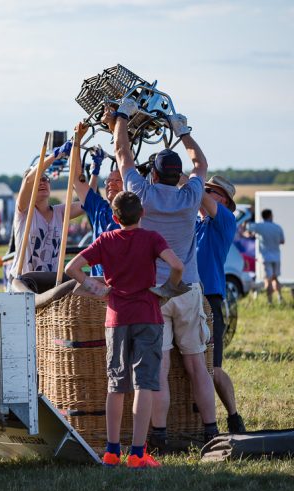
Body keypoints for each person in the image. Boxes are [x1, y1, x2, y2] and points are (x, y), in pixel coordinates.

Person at [103, 101, 218, 448]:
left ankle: (161, 436)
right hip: (187, 288)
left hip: (153, 293)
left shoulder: (143, 194)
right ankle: (211, 431)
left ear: (153, 174)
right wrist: (182, 130)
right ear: (174, 174)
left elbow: (123, 153)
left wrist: (121, 116)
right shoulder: (190, 195)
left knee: (160, 368)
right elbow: (201, 164)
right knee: (198, 365)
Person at [66, 191, 187, 468]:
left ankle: (111, 452)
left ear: (114, 216)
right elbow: (177, 265)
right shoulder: (152, 238)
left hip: (116, 317)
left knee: (116, 384)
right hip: (148, 314)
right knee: (144, 384)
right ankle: (137, 453)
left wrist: (97, 289)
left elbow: (73, 268)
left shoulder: (105, 240)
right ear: (142, 213)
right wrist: (168, 289)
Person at [195, 175, 247, 433]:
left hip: (210, 300)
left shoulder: (226, 219)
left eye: (209, 191)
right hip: (187, 299)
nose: (203, 193)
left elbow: (197, 195)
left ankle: (234, 417)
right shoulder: (196, 224)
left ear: (223, 200)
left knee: (213, 368)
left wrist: (188, 181)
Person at [8, 136, 86, 280]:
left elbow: (87, 203)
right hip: (24, 281)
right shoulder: (24, 211)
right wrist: (54, 156)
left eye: (45, 179)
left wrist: (90, 172)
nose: (42, 182)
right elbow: (28, 179)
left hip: (51, 281)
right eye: (38, 180)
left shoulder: (60, 212)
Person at [70, 122, 123, 276]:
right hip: (100, 286)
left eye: (117, 181)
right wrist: (77, 141)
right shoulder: (99, 208)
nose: (111, 184)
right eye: (108, 181)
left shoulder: (136, 210)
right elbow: (76, 179)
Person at [245, 209, 285, 303]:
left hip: (265, 257)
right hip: (276, 256)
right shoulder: (278, 227)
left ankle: (270, 301)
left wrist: (248, 217)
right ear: (271, 215)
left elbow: (248, 227)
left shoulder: (260, 226)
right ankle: (279, 298)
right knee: (275, 278)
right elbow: (282, 241)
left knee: (268, 279)